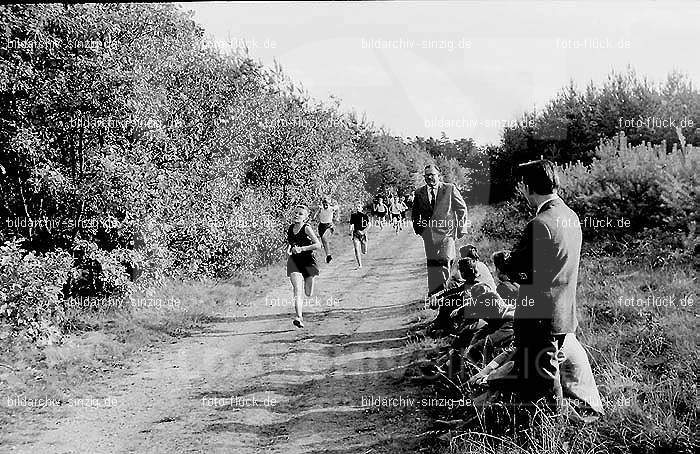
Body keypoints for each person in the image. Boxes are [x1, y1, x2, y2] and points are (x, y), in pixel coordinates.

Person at [489, 159, 599, 415]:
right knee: (546, 377)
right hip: (562, 313)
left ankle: (550, 434)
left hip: (538, 316)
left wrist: (504, 260)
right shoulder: (570, 216)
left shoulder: (539, 223)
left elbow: (522, 271)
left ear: (528, 187)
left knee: (544, 384)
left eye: (523, 187)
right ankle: (540, 428)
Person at [412, 164, 469, 331]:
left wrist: (461, 228)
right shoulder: (419, 193)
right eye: (427, 175)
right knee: (433, 267)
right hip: (429, 236)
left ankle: (444, 302)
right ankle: (436, 300)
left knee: (444, 262)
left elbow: (461, 208)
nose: (430, 178)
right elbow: (415, 213)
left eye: (432, 175)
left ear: (439, 175)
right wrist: (420, 230)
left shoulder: (449, 189)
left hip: (447, 234)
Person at [286, 204, 322, 328]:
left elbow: (318, 245)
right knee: (297, 289)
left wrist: (302, 248)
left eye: (300, 213)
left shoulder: (307, 228)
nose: (297, 215)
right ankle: (299, 317)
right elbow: (291, 243)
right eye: (295, 212)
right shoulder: (290, 228)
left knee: (308, 293)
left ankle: (311, 281)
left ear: (305, 218)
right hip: (294, 261)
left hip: (308, 261)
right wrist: (290, 249)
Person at [315, 196, 339, 263]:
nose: (325, 205)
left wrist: (337, 217)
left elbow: (337, 207)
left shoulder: (331, 208)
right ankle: (328, 256)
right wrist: (317, 211)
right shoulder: (321, 208)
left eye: (327, 204)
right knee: (324, 241)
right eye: (324, 204)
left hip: (329, 225)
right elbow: (314, 216)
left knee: (324, 238)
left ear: (329, 203)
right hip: (321, 226)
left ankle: (328, 256)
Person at [348, 202, 370, 269]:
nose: (357, 208)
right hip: (356, 234)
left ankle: (365, 247)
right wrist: (350, 230)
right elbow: (351, 224)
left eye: (359, 207)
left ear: (361, 208)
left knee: (364, 252)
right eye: (356, 206)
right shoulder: (353, 215)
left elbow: (369, 225)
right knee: (356, 249)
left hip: (363, 234)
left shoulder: (365, 216)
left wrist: (363, 231)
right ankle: (359, 265)